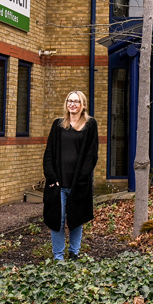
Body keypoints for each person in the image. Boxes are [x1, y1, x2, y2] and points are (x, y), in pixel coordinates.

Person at [42, 90, 99, 262]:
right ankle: (58, 257)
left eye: (76, 101)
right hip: (58, 184)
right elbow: (49, 152)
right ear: (66, 103)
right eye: (70, 101)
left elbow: (91, 155)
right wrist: (51, 177)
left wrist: (81, 179)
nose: (72, 104)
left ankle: (74, 253)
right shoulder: (58, 124)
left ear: (83, 105)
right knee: (56, 220)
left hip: (78, 184)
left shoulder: (90, 125)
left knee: (76, 219)